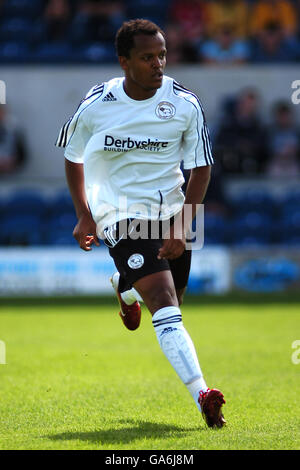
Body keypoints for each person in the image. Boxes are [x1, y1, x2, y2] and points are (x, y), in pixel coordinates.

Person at [55, 19, 226, 428]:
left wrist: (182, 225)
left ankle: (124, 290)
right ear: (124, 61)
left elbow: (201, 168)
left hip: (170, 212)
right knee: (166, 304)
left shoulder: (185, 104)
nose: (158, 64)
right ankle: (203, 394)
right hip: (119, 212)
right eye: (148, 57)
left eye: (162, 55)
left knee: (172, 303)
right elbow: (72, 156)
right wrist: (84, 212)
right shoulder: (98, 103)